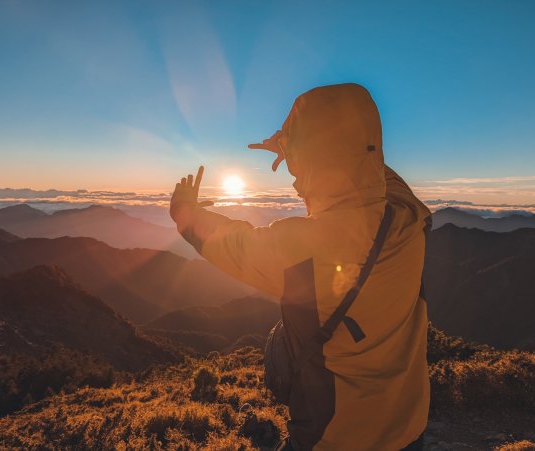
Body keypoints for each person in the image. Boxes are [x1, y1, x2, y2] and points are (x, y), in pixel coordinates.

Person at [170, 83, 431, 451]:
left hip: (335, 439)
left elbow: (229, 243)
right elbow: (376, 170)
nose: (293, 180)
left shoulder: (301, 246)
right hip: (409, 428)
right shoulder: (409, 216)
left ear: (316, 160)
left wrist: (183, 213)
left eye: (298, 164)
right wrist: (298, 142)